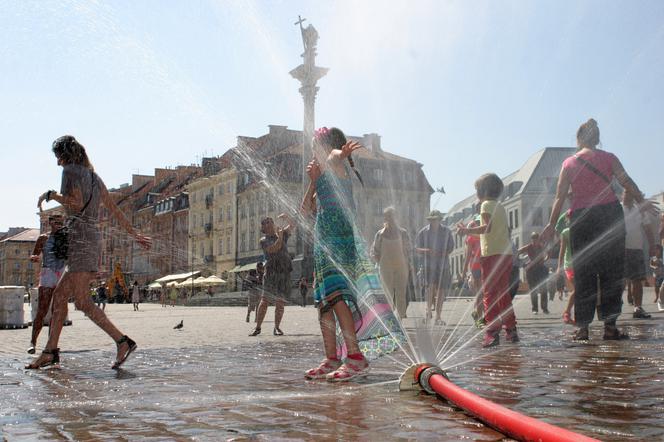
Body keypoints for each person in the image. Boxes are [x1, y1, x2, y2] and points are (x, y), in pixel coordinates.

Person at [27, 135, 151, 369]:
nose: (58, 163)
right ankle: (50, 351)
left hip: (81, 238)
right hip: (89, 238)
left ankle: (122, 341)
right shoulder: (95, 177)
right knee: (61, 297)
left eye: (58, 158)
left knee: (82, 302)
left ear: (66, 155)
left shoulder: (70, 172)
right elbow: (114, 209)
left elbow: (75, 203)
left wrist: (53, 195)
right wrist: (134, 233)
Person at [301, 126, 404, 381]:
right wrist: (313, 182)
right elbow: (305, 210)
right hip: (323, 244)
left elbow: (336, 155)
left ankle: (355, 357)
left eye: (316, 146)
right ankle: (331, 357)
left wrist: (339, 152)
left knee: (337, 297)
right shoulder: (321, 175)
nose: (313, 151)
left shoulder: (337, 166)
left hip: (340, 240)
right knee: (323, 303)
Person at [541, 118, 656, 341]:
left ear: (578, 139)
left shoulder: (568, 163)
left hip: (581, 219)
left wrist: (551, 224)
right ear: (597, 139)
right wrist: (641, 200)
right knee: (611, 273)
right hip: (609, 217)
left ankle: (583, 328)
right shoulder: (609, 158)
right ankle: (610, 327)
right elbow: (626, 181)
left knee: (584, 273)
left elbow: (560, 197)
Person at [457, 173, 518, 348]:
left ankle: (491, 332)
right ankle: (511, 329)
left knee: (489, 294)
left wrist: (466, 232)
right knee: (503, 293)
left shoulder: (485, 205)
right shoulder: (500, 206)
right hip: (505, 255)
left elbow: (487, 227)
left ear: (482, 191)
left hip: (491, 255)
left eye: (477, 189)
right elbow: (497, 230)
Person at [27, 214, 66, 354]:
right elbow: (34, 255)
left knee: (57, 312)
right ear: (50, 223)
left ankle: (51, 344)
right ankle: (33, 342)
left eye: (61, 222)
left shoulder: (66, 238)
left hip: (61, 274)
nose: (59, 225)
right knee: (42, 310)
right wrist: (34, 258)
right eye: (56, 222)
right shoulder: (43, 238)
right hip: (47, 273)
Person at [249, 214, 295, 336]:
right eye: (266, 222)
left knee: (280, 302)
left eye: (271, 221)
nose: (269, 223)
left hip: (284, 272)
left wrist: (286, 217)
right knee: (265, 300)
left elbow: (293, 225)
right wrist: (279, 238)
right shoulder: (264, 241)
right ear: (263, 227)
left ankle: (277, 327)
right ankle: (257, 327)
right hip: (271, 272)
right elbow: (274, 248)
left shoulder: (282, 234)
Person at [371, 206, 412, 319]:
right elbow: (374, 251)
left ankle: (400, 319)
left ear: (396, 217)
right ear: (385, 218)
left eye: (392, 216)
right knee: (387, 294)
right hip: (385, 267)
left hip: (401, 267)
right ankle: (389, 319)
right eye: (388, 216)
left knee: (401, 294)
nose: (390, 219)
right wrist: (380, 263)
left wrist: (408, 264)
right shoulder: (380, 234)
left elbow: (408, 249)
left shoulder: (403, 233)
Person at [415, 210, 454, 325]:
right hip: (428, 265)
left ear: (439, 220)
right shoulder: (423, 232)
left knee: (441, 291)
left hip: (443, 265)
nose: (433, 222)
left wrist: (443, 252)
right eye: (431, 220)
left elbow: (451, 247)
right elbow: (416, 248)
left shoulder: (446, 231)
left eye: (435, 220)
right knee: (430, 289)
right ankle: (428, 312)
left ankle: (438, 316)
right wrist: (427, 251)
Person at [622, 191, 656, 319]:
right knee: (620, 280)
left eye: (630, 192)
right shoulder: (618, 208)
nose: (628, 195)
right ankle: (614, 307)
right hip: (621, 249)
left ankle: (638, 308)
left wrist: (652, 245)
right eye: (626, 192)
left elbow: (648, 228)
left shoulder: (640, 210)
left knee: (637, 280)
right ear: (622, 195)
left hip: (637, 249)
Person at [518, 232, 550, 315]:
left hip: (540, 269)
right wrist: (522, 263)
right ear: (531, 239)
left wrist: (544, 260)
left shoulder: (541, 247)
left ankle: (545, 308)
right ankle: (534, 309)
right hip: (531, 271)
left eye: (536, 238)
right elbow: (518, 252)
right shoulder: (528, 247)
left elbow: (547, 255)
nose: (535, 240)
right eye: (533, 239)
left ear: (538, 239)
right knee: (533, 290)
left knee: (543, 289)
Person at [461, 215, 484, 327]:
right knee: (480, 293)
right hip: (476, 267)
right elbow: (468, 254)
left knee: (484, 293)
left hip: (486, 265)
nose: (480, 225)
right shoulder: (471, 237)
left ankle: (477, 313)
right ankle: (480, 318)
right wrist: (465, 268)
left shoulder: (485, 234)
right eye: (478, 222)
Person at [556, 212, 575, 324]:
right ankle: (567, 312)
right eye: (569, 218)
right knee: (577, 289)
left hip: (580, 264)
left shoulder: (582, 230)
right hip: (569, 265)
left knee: (580, 290)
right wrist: (559, 267)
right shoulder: (565, 232)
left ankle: (574, 315)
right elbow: (562, 250)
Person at [650, 245, 664, 311]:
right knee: (656, 286)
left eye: (658, 249)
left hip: (662, 274)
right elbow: (650, 264)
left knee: (662, 286)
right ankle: (657, 296)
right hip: (656, 275)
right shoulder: (653, 258)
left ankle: (661, 297)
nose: (656, 251)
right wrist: (653, 267)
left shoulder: (662, 257)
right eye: (655, 249)